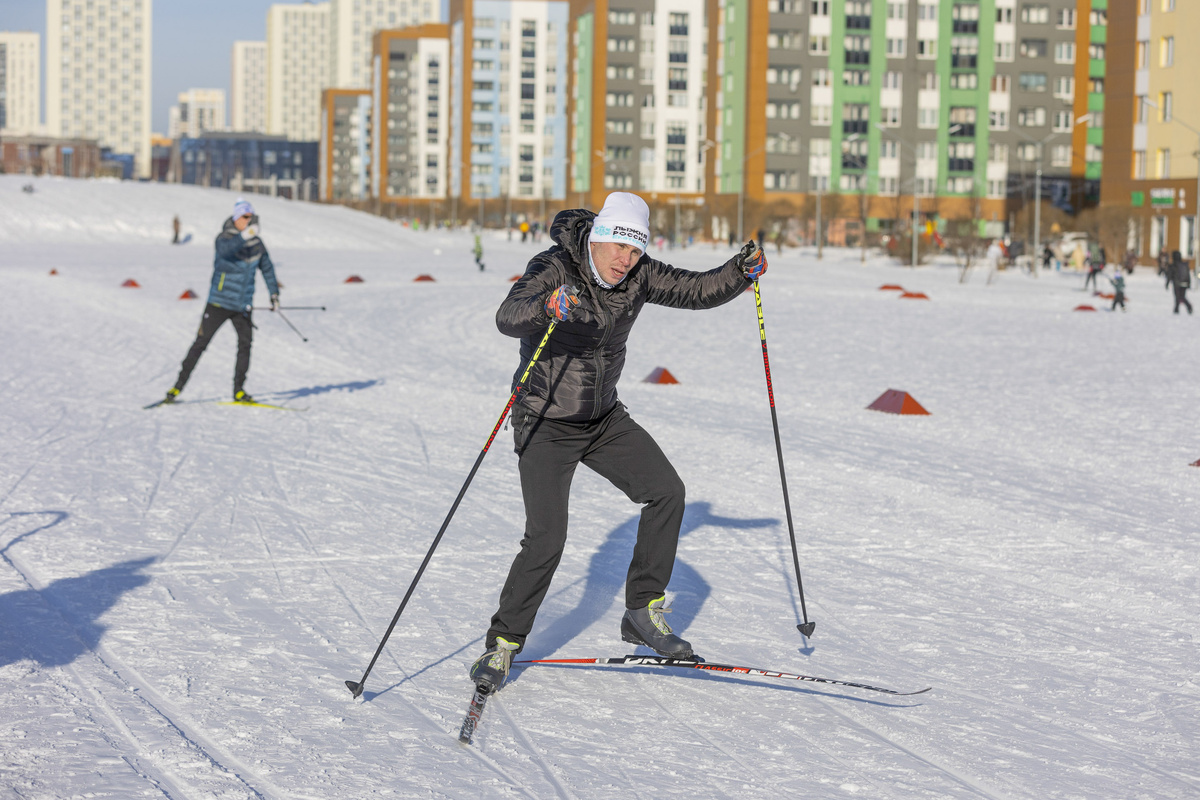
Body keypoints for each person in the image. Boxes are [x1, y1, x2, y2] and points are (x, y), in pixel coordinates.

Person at [469, 192, 767, 690]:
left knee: (667, 492)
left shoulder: (638, 273)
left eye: (634, 252)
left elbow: (696, 289)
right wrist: (547, 307)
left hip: (603, 417)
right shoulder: (555, 266)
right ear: (599, 237)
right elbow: (507, 315)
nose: (625, 262)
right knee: (547, 537)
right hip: (545, 418)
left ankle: (641, 612)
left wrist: (739, 271)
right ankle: (502, 645)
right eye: (618, 250)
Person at [162, 200, 279, 405]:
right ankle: (176, 388)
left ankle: (239, 390)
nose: (248, 220)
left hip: (242, 305)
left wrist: (274, 294)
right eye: (244, 217)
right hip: (219, 303)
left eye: (250, 217)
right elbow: (225, 253)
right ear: (236, 218)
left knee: (245, 345)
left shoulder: (257, 244)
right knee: (200, 344)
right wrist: (244, 236)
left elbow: (267, 269)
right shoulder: (224, 238)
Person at [1166, 250, 1193, 314]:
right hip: (1184, 283)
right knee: (1182, 297)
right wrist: (1189, 283)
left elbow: (1170, 275)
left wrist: (1167, 283)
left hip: (1177, 283)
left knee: (1178, 297)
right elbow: (1188, 275)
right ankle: (1186, 307)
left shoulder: (1173, 265)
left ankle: (1177, 309)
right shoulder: (1184, 265)